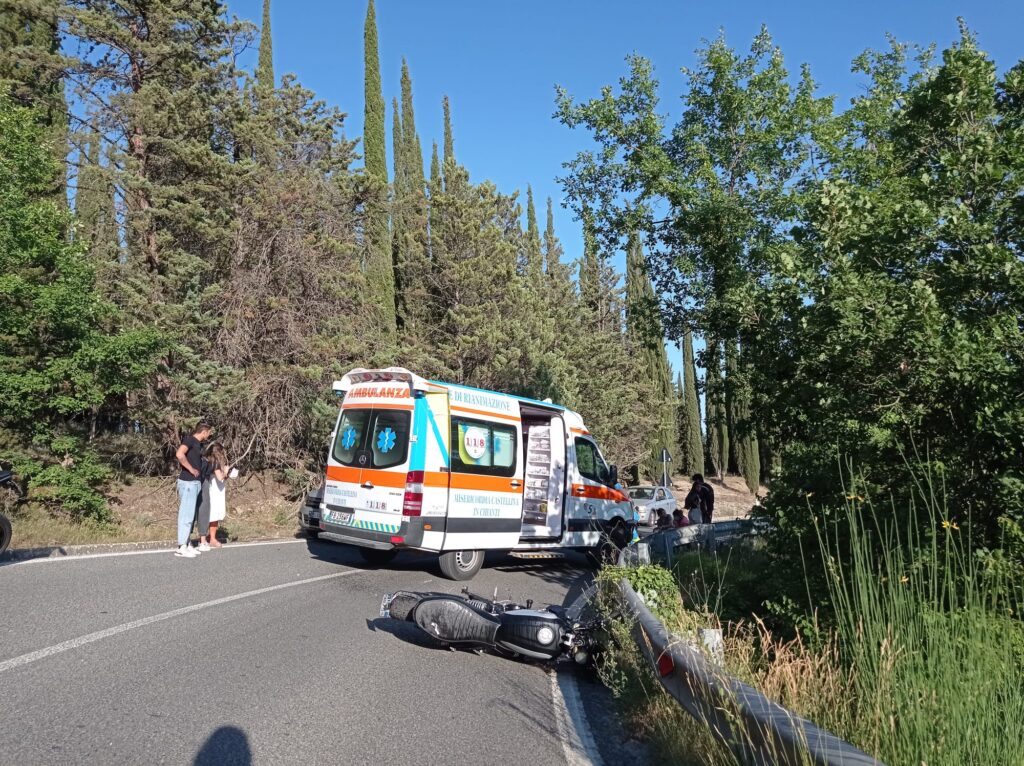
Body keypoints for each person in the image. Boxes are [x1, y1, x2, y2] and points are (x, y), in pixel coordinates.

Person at [175, 422, 212, 558]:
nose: (209, 435)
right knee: (186, 515)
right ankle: (181, 547)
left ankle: (187, 544)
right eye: (209, 433)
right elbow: (179, 454)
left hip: (195, 483)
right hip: (188, 482)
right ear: (204, 431)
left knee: (190, 515)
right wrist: (191, 469)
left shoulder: (198, 444)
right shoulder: (190, 440)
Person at [198, 443, 233, 551]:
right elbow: (220, 477)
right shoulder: (215, 462)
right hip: (214, 490)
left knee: (208, 514)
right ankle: (212, 538)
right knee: (214, 514)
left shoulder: (206, 460)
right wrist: (226, 471)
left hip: (210, 488)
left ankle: (207, 536)